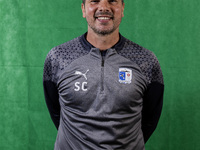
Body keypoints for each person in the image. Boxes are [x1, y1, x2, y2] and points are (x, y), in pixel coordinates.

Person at [43, 0, 164, 149]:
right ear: (83, 8)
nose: (104, 7)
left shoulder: (146, 61)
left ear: (122, 8)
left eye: (112, 1)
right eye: (94, 1)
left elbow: (149, 120)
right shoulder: (58, 57)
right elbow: (57, 112)